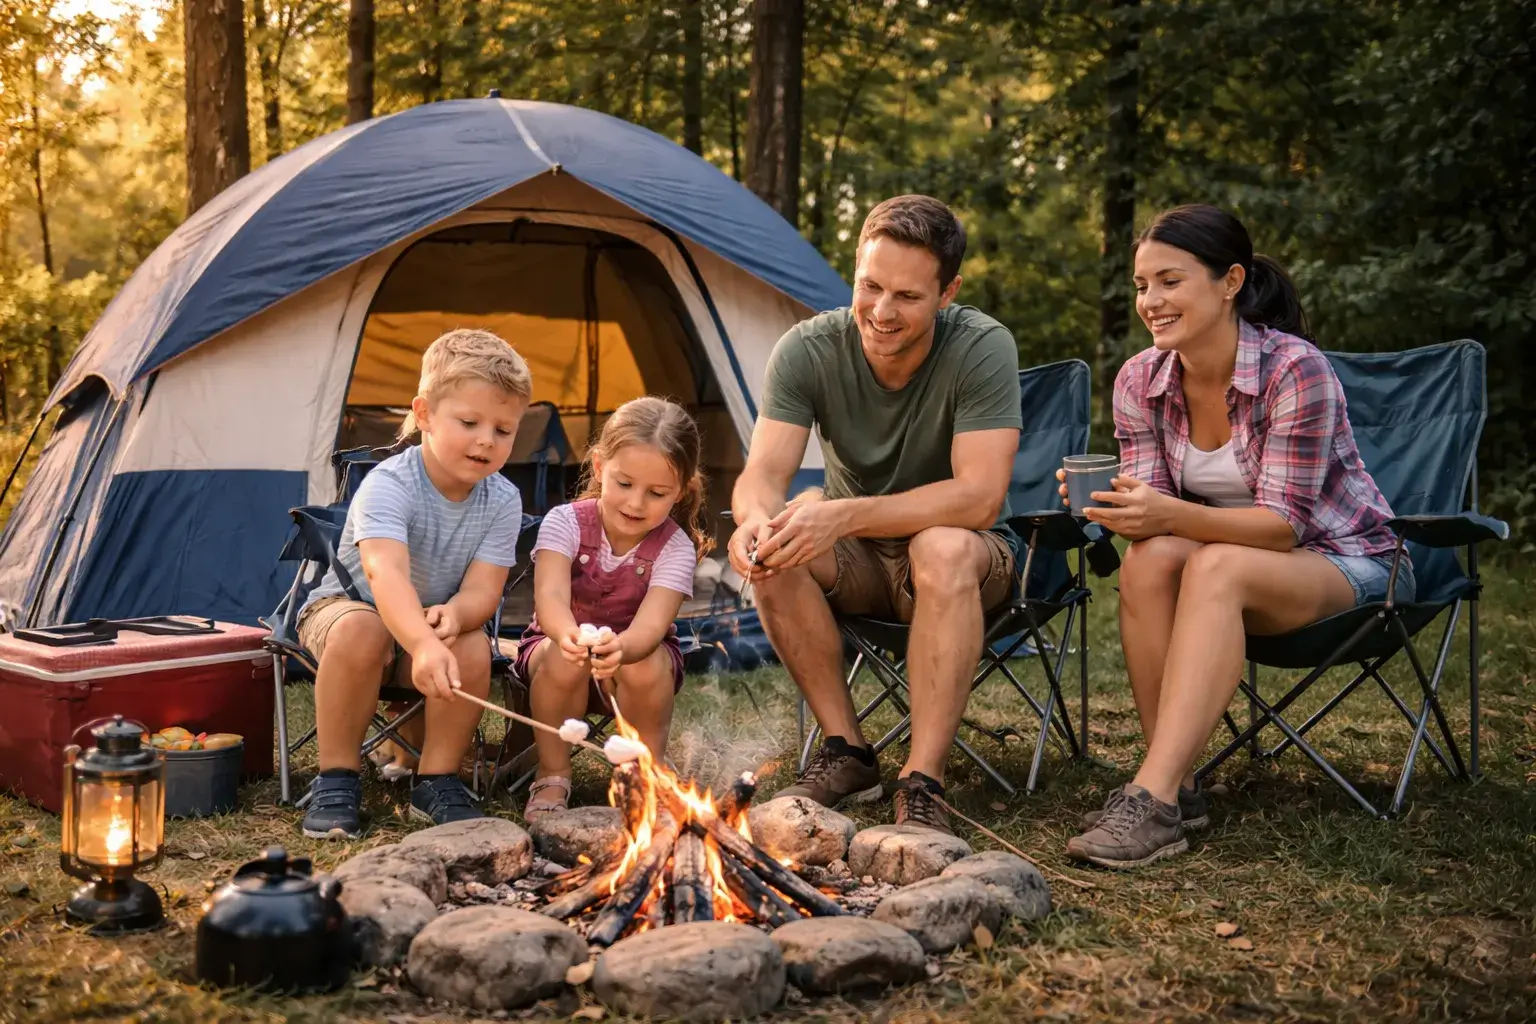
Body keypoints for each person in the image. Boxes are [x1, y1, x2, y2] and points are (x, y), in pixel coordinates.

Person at [1063, 204, 1413, 869]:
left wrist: (1165, 514)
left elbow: (1283, 527)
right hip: (1225, 569)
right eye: (1142, 285)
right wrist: (1115, 511)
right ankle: (1176, 789)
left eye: (1170, 281)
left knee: (1214, 564)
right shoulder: (1141, 379)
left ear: (1229, 282)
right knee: (1150, 561)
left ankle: (1152, 794)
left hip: (1352, 566)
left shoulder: (1293, 371)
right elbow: (1157, 518)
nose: (1151, 301)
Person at [729, 194, 1022, 836]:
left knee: (940, 546)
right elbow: (763, 476)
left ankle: (923, 781)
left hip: (967, 559)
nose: (882, 313)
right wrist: (752, 519)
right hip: (861, 560)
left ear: (948, 293)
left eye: (908, 297)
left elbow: (979, 497)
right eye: (870, 287)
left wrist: (842, 514)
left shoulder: (981, 347)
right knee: (775, 549)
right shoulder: (807, 349)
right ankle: (848, 750)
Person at [298, 329, 531, 839]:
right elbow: (386, 576)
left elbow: (483, 591)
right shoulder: (390, 485)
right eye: (469, 422)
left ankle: (436, 778)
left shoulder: (503, 500)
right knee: (365, 629)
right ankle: (337, 776)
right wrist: (422, 642)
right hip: (348, 612)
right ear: (423, 414)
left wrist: (456, 616)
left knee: (470, 644)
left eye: (504, 429)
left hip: (427, 626)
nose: (487, 440)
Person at [518, 397, 711, 819]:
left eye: (657, 493)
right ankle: (553, 773)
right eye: (624, 484)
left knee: (644, 664)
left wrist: (622, 649)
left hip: (635, 660)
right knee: (562, 659)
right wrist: (567, 634)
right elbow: (549, 597)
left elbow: (653, 624)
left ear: (681, 491)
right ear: (600, 467)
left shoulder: (675, 548)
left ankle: (644, 774)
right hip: (557, 651)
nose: (636, 504)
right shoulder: (565, 522)